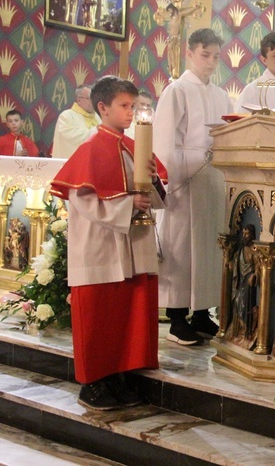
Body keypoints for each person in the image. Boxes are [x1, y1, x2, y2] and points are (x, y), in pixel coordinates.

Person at [49, 75, 168, 411]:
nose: (133, 113)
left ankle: (120, 375)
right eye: (125, 106)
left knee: (125, 312)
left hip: (132, 244)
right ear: (103, 108)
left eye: (135, 106)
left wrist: (154, 182)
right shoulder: (89, 149)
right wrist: (128, 204)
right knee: (99, 316)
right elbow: (84, 200)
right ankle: (93, 384)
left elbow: (154, 193)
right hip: (101, 245)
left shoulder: (135, 148)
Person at [153, 28, 233, 346]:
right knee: (182, 247)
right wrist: (168, 180)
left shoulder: (222, 94)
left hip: (211, 177)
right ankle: (176, 317)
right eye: (205, 55)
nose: (211, 62)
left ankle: (202, 313)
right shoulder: (177, 90)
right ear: (190, 54)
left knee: (208, 248)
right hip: (183, 177)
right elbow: (163, 139)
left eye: (216, 56)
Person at [52, 85, 100, 158]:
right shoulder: (66, 116)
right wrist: (95, 131)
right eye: (89, 98)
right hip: (72, 163)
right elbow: (71, 137)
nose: (92, 101)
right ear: (79, 100)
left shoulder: (99, 117)